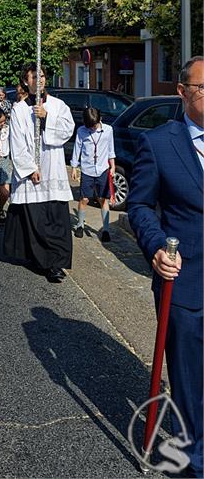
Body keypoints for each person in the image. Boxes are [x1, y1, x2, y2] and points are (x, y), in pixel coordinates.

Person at [127, 56, 203, 478]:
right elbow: (138, 205)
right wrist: (156, 246)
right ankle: (193, 464)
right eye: (203, 88)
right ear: (182, 92)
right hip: (185, 283)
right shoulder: (159, 143)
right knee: (190, 386)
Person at [3, 62, 75, 283]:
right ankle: (41, 260)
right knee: (37, 221)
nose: (39, 80)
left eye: (42, 76)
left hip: (53, 170)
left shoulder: (58, 105)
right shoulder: (18, 110)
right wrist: (30, 168)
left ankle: (56, 264)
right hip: (33, 174)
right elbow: (16, 143)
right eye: (34, 77)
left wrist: (46, 117)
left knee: (56, 219)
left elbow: (67, 131)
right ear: (26, 81)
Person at [70, 107, 116, 242]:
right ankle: (80, 225)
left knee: (103, 199)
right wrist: (74, 167)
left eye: (94, 125)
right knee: (84, 199)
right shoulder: (81, 131)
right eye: (89, 126)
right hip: (87, 170)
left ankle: (106, 229)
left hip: (103, 169)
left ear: (100, 119)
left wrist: (112, 166)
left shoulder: (108, 130)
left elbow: (110, 149)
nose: (92, 129)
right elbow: (77, 148)